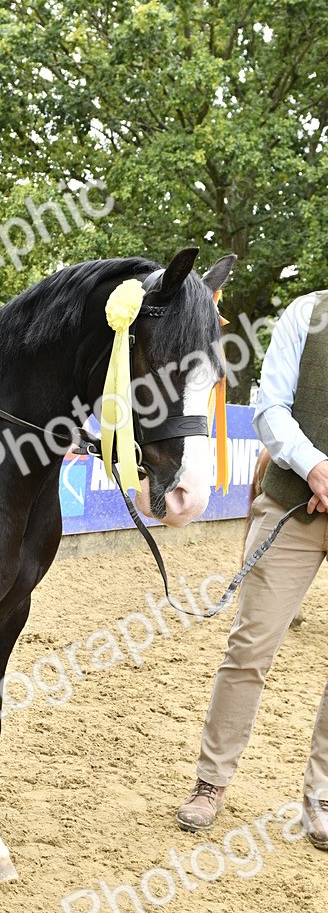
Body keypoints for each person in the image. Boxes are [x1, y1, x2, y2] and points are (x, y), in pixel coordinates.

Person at [176, 291, 328, 850]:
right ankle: (211, 782)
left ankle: (323, 793)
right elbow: (269, 408)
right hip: (292, 502)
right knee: (250, 648)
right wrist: (315, 468)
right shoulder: (306, 314)